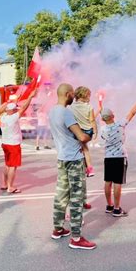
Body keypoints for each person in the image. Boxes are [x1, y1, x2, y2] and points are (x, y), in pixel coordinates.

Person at [49, 83, 95, 250]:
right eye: (72, 94)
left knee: (61, 194)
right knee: (76, 197)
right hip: (74, 159)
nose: (73, 97)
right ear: (68, 94)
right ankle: (76, 238)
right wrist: (89, 135)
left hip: (61, 158)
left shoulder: (52, 111)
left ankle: (58, 228)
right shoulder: (66, 113)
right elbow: (81, 137)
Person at [101, 96, 136, 217]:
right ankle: (116, 208)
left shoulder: (102, 129)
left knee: (107, 181)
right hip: (119, 157)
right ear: (112, 116)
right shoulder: (120, 125)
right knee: (117, 183)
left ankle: (109, 205)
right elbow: (132, 113)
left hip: (108, 157)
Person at [0, 90, 37, 193]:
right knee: (13, 166)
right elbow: (24, 107)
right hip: (13, 144)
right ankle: (10, 187)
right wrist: (30, 96)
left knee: (7, 165)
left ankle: (4, 184)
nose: (17, 110)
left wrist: (14, 101)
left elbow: (10, 108)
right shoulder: (14, 117)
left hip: (5, 143)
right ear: (12, 111)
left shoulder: (3, 117)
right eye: (15, 109)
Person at [69, 86, 98, 177]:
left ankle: (78, 168)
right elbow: (92, 120)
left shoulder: (71, 107)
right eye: (89, 95)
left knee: (77, 149)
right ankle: (89, 168)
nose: (90, 97)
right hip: (87, 132)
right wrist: (95, 131)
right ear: (84, 96)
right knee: (85, 149)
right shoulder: (89, 107)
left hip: (76, 131)